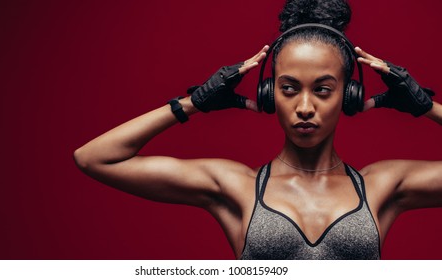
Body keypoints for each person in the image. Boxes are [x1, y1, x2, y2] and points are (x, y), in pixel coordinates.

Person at [73, 0, 442, 259]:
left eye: (323, 90)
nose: (305, 107)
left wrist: (426, 107)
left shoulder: (382, 187)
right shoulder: (235, 186)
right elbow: (95, 158)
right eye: (289, 88)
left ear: (349, 95)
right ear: (269, 94)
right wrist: (193, 103)